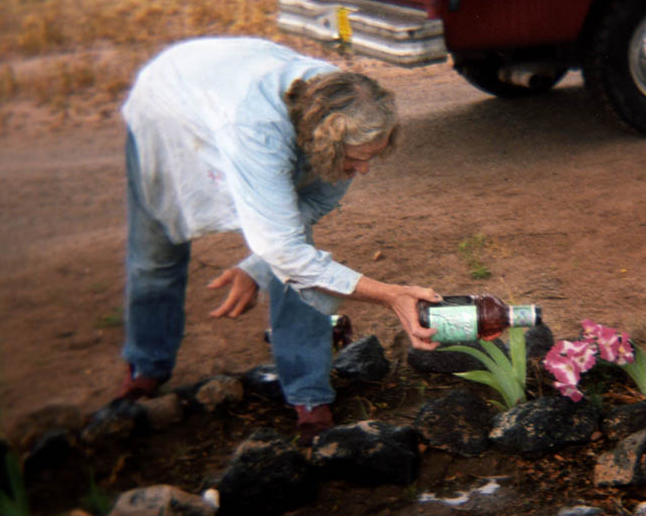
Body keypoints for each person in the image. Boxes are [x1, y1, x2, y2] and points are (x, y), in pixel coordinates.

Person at [114, 37, 439, 442]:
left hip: (230, 96)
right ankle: (147, 365)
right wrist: (390, 294)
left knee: (296, 263)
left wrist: (256, 265)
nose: (364, 170)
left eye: (372, 156)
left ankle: (308, 391)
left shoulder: (346, 110)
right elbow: (285, 251)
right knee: (156, 256)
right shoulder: (259, 132)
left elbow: (302, 217)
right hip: (170, 110)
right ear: (324, 143)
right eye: (356, 159)